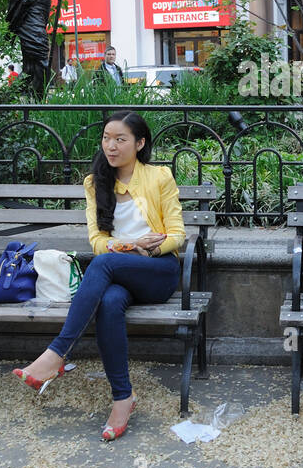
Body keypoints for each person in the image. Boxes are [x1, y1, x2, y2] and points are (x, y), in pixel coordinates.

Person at [12, 112, 184, 441]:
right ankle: (123, 398)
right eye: (107, 138)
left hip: (157, 270)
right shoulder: (95, 183)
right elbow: (98, 241)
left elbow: (177, 234)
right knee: (109, 301)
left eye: (120, 139)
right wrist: (129, 244)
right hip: (120, 274)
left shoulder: (159, 177)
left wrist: (147, 249)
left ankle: (57, 354)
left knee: (103, 264)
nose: (111, 145)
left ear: (140, 143)